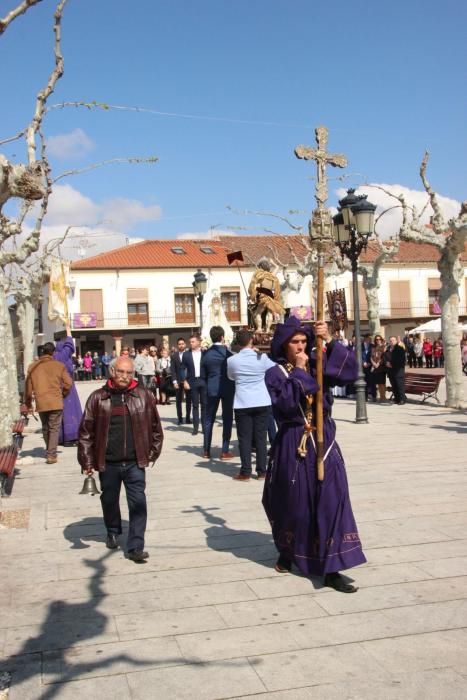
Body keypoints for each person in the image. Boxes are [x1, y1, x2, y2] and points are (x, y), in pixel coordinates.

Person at [263, 316, 365, 593]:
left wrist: (329, 340)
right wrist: (298, 371)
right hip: (294, 441)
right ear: (284, 346)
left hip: (324, 440)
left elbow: (348, 372)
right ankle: (288, 551)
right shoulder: (275, 373)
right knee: (292, 502)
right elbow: (284, 404)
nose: (300, 346)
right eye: (294, 342)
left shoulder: (318, 363)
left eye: (304, 341)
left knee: (332, 499)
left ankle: (332, 567)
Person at [78, 356, 163, 563]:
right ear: (112, 372)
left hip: (135, 462)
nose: (125, 377)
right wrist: (87, 462)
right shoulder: (97, 398)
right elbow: (86, 432)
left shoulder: (144, 395)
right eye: (121, 372)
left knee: (138, 503)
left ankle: (135, 546)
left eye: (129, 373)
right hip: (108, 463)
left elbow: (156, 428)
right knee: (109, 499)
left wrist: (152, 452)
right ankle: (113, 529)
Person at [227, 329, 275, 481]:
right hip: (261, 400)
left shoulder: (232, 360)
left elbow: (231, 377)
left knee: (244, 438)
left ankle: (245, 471)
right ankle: (262, 471)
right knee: (261, 437)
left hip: (243, 401)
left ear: (238, 343)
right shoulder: (262, 357)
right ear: (251, 341)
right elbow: (274, 369)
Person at [24, 342, 72, 463]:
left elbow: (28, 391)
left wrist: (28, 404)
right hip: (56, 401)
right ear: (53, 352)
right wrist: (63, 394)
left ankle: (49, 451)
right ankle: (51, 454)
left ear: (42, 352)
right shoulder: (59, 366)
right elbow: (68, 383)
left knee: (45, 427)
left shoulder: (32, 367)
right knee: (54, 428)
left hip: (41, 402)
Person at [200, 326, 235, 459]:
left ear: (211, 337)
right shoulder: (228, 354)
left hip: (212, 388)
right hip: (228, 388)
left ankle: (206, 450)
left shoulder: (206, 355)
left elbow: (203, 375)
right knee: (227, 419)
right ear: (222, 337)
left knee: (209, 419)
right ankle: (224, 450)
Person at [53, 326, 83, 447]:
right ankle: (72, 436)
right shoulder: (64, 355)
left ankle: (61, 437)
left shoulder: (54, 357)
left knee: (61, 412)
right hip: (68, 386)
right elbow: (69, 346)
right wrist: (69, 332)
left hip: (58, 387)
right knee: (71, 411)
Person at [248, 257, 284, 333]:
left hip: (263, 297)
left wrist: (252, 296)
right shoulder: (272, 275)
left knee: (257, 313)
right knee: (270, 314)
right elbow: (277, 267)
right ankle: (268, 329)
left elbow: (256, 287)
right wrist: (273, 262)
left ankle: (260, 328)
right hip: (271, 296)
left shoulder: (260, 276)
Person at [182, 333, 206, 436]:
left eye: (193, 341)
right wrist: (184, 381)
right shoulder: (186, 354)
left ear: (198, 342)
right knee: (195, 405)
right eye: (190, 342)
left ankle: (205, 427)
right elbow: (182, 369)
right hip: (192, 381)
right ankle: (195, 428)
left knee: (204, 405)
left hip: (204, 381)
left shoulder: (205, 353)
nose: (191, 343)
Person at [171, 337, 192, 425]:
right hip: (178, 381)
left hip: (188, 381)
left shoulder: (189, 354)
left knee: (188, 401)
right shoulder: (174, 356)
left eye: (182, 343)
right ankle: (180, 418)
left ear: (185, 344)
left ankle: (187, 418)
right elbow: (173, 370)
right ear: (177, 345)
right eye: (179, 344)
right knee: (178, 401)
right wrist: (174, 382)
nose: (181, 345)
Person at [385, 335, 407, 405]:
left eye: (393, 340)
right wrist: (386, 363)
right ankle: (396, 399)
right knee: (394, 386)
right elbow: (384, 357)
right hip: (390, 371)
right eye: (391, 341)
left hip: (398, 371)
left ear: (396, 341)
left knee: (399, 386)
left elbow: (402, 360)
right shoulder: (388, 349)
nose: (392, 342)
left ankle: (402, 399)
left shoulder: (400, 349)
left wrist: (391, 363)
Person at [370, 335, 387, 402]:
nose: (378, 340)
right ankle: (380, 397)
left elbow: (383, 357)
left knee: (382, 382)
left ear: (381, 340)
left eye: (379, 339)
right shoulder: (373, 348)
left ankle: (383, 397)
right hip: (375, 367)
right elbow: (371, 356)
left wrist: (378, 363)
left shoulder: (383, 347)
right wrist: (373, 363)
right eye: (376, 339)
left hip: (381, 367)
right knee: (378, 383)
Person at [361, 333, 375, 401]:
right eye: (369, 338)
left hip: (370, 366)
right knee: (364, 382)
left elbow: (374, 356)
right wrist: (362, 363)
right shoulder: (359, 346)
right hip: (362, 367)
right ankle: (365, 397)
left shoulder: (373, 346)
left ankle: (374, 396)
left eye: (371, 339)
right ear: (365, 339)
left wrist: (370, 363)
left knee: (372, 382)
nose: (370, 340)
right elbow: (357, 355)